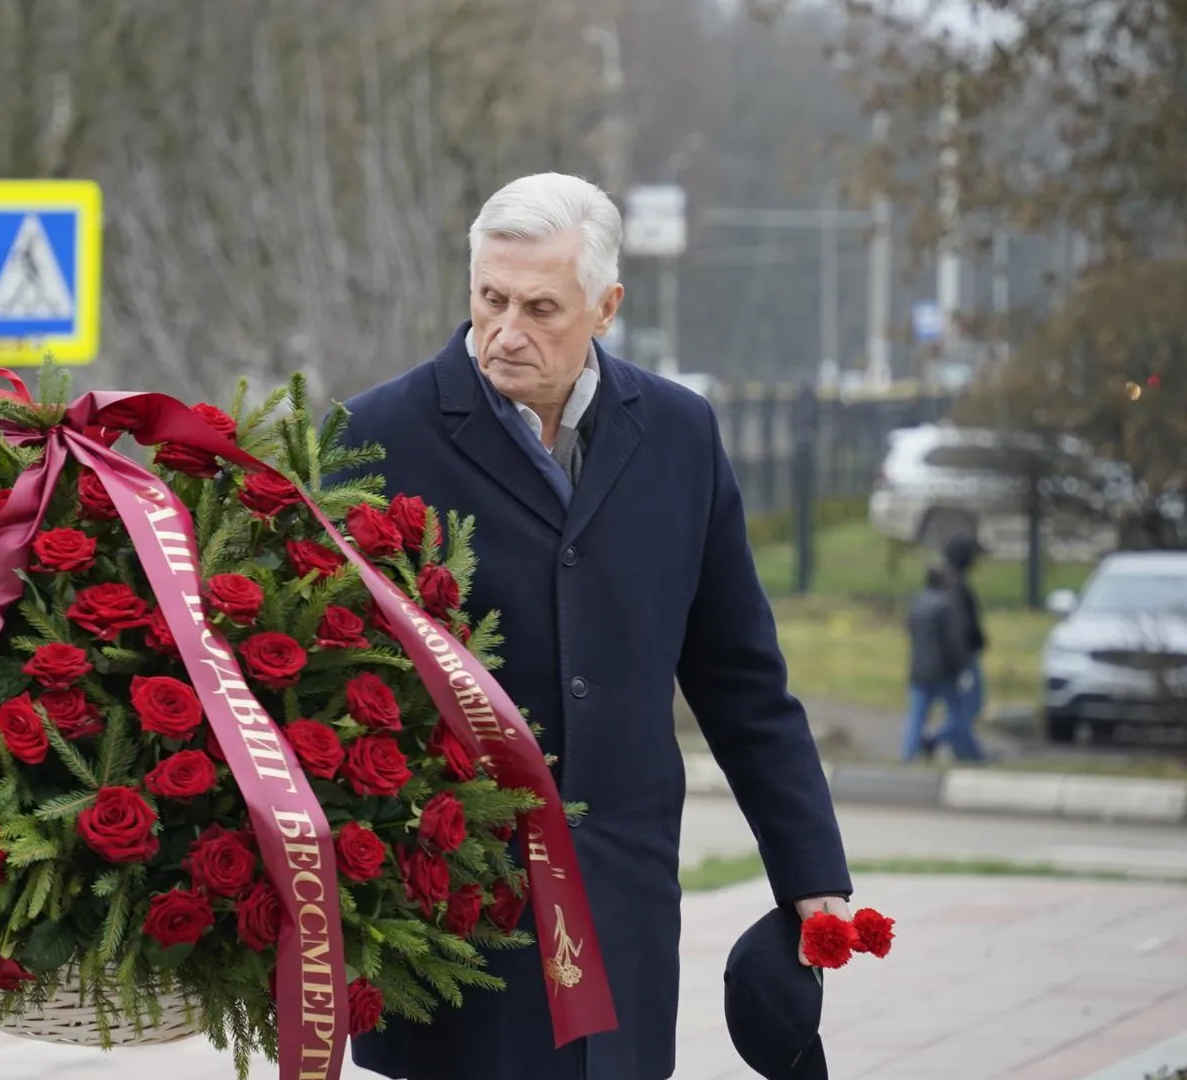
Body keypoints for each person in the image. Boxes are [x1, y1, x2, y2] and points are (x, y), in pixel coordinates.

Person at [334, 173, 852, 1080]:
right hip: (456, 904)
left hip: (623, 902)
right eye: (490, 299)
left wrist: (811, 877)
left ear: (606, 307)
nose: (505, 332)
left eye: (542, 308)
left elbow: (741, 681)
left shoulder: (683, 435)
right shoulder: (374, 437)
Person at [901, 565, 983, 762]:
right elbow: (955, 641)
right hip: (944, 672)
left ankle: (908, 755)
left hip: (918, 671)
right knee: (958, 714)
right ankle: (971, 753)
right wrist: (963, 668)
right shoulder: (947, 606)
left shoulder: (917, 603)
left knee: (917, 716)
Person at [941, 533, 988, 734]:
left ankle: (957, 742)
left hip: (962, 653)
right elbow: (960, 624)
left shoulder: (954, 584)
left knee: (963, 704)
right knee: (970, 703)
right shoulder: (957, 588)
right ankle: (939, 738)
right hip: (964, 655)